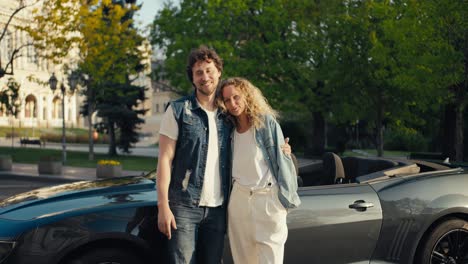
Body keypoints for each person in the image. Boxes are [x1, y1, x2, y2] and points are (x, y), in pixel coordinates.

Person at [156, 45, 232, 264]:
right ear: (192, 78)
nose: (204, 77)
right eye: (198, 72)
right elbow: (164, 158)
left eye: (209, 70)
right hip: (184, 207)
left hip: (218, 209)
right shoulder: (178, 110)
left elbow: (253, 137)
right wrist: (163, 206)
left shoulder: (229, 114)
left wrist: (281, 148)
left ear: (219, 72)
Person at [217, 77, 301, 264]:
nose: (232, 104)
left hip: (267, 199)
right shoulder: (227, 129)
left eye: (236, 97)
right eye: (227, 100)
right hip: (239, 201)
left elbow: (283, 162)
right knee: (243, 260)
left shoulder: (266, 124)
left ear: (247, 95)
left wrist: (284, 202)